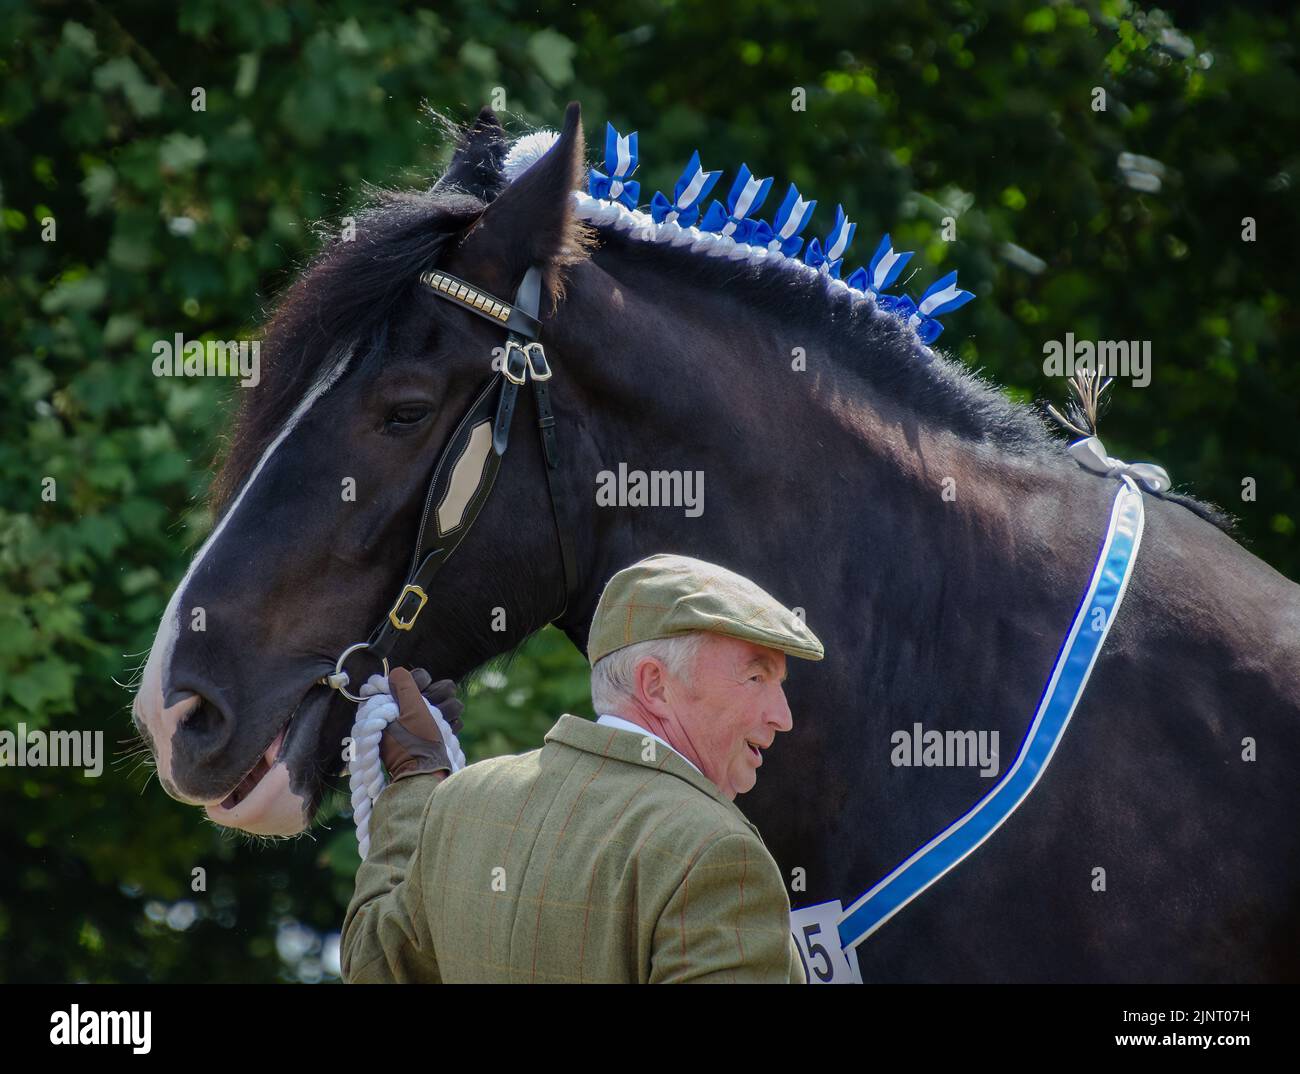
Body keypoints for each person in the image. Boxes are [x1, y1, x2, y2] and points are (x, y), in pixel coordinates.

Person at [341, 553, 824, 983]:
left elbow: (373, 963)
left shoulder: (462, 803)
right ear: (655, 685)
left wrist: (416, 783)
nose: (783, 717)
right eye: (756, 677)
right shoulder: (718, 854)